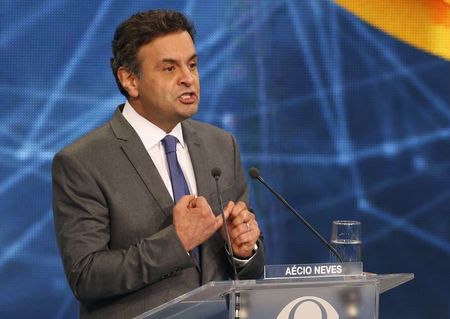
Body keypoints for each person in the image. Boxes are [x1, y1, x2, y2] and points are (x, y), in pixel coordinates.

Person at [52, 9, 265, 319]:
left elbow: (250, 267)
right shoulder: (82, 163)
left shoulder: (221, 145)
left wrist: (244, 250)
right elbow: (86, 276)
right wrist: (177, 241)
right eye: (169, 68)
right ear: (129, 80)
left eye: (192, 64)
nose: (188, 79)